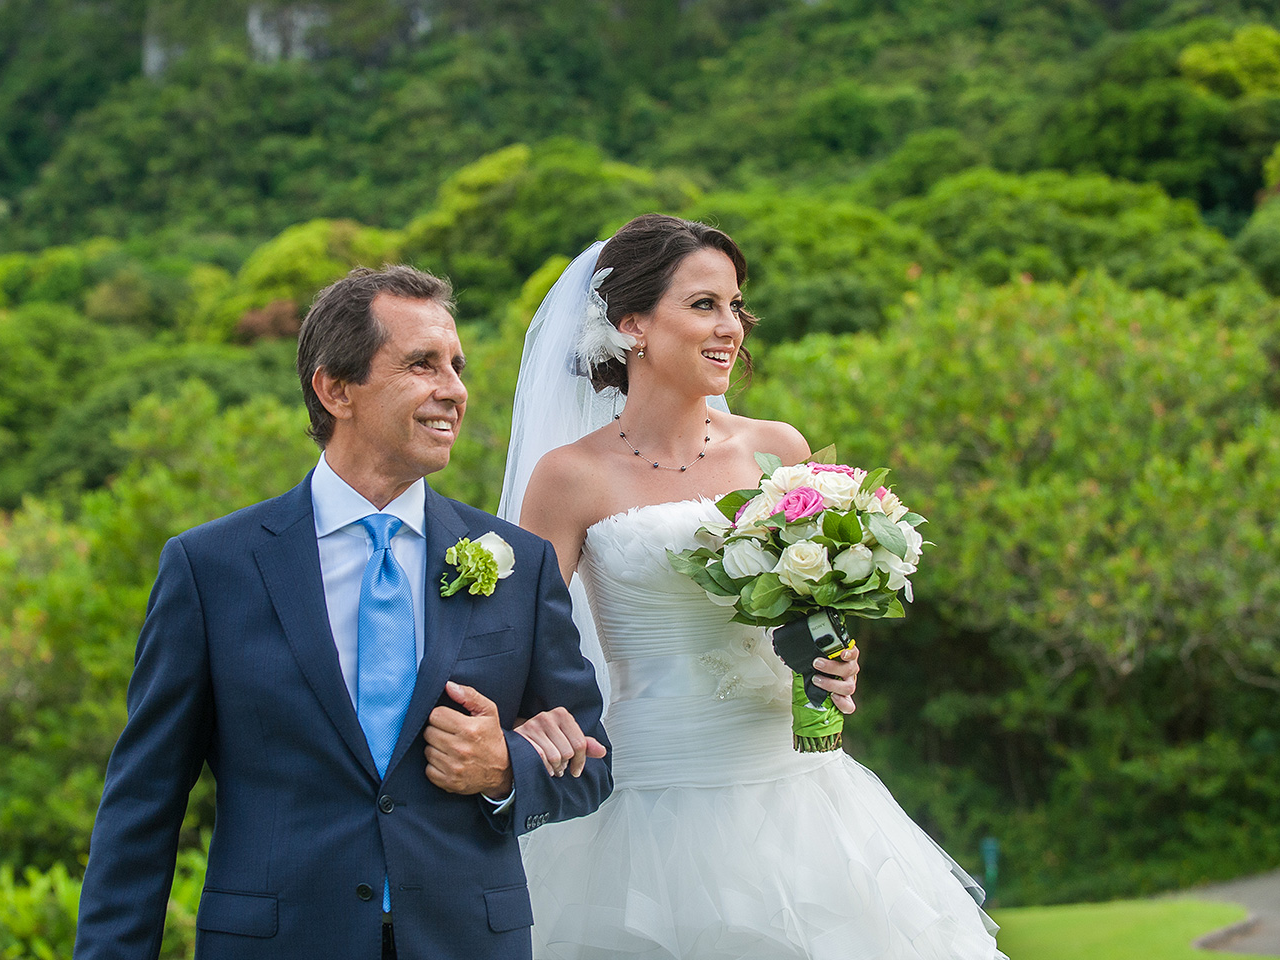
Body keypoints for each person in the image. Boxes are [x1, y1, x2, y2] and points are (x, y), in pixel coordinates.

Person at [498, 215, 1007, 959]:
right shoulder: (569, 477)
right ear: (632, 323)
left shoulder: (778, 449)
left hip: (801, 790)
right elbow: (518, 643)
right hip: (647, 803)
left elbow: (813, 610)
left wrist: (835, 659)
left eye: (736, 306)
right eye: (704, 305)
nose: (731, 326)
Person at [74, 265, 611, 960]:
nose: (454, 389)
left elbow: (591, 763)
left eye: (456, 365)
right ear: (334, 389)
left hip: (467, 941)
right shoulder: (211, 569)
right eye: (422, 364)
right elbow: (143, 804)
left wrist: (505, 768)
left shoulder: (519, 562)